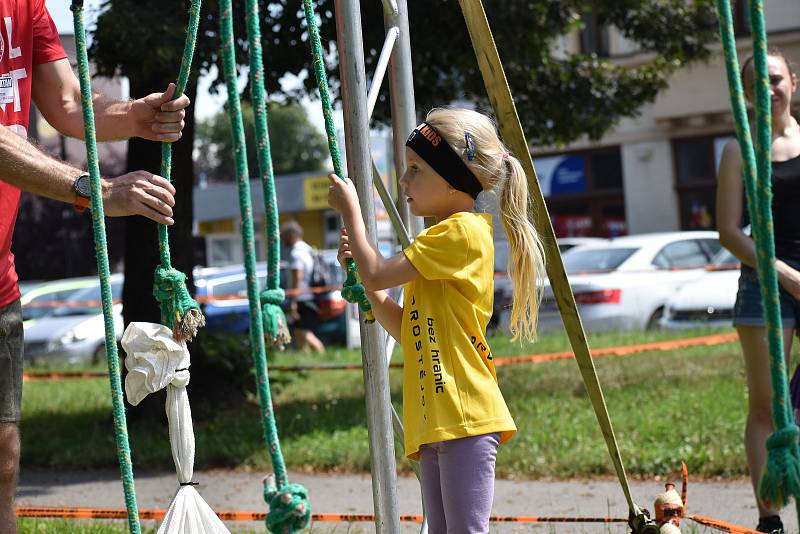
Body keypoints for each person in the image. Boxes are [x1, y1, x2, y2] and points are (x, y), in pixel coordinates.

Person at [0, 2, 190, 532]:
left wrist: (137, 116)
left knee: (3, 459)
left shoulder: (25, 5)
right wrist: (99, 190)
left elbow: (66, 101)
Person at [327, 108, 545, 533]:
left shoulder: (460, 232)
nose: (404, 183)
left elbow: (376, 271)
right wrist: (366, 281)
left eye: (415, 170)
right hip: (436, 418)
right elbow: (408, 330)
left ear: (451, 178)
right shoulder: (441, 239)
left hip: (464, 415)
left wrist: (354, 210)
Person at [717, 48, 800, 534]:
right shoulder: (738, 149)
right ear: (744, 94)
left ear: (793, 81)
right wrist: (785, 275)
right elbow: (729, 231)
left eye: (775, 79)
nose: (767, 90)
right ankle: (770, 518)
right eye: (755, 84)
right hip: (762, 280)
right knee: (766, 406)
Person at [280, 220, 325, 353]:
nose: (282, 239)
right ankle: (307, 361)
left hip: (301, 299)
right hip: (308, 296)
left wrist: (293, 301)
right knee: (300, 333)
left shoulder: (296, 254)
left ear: (292, 235)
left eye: (284, 235)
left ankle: (322, 357)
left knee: (304, 333)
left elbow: (297, 278)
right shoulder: (307, 249)